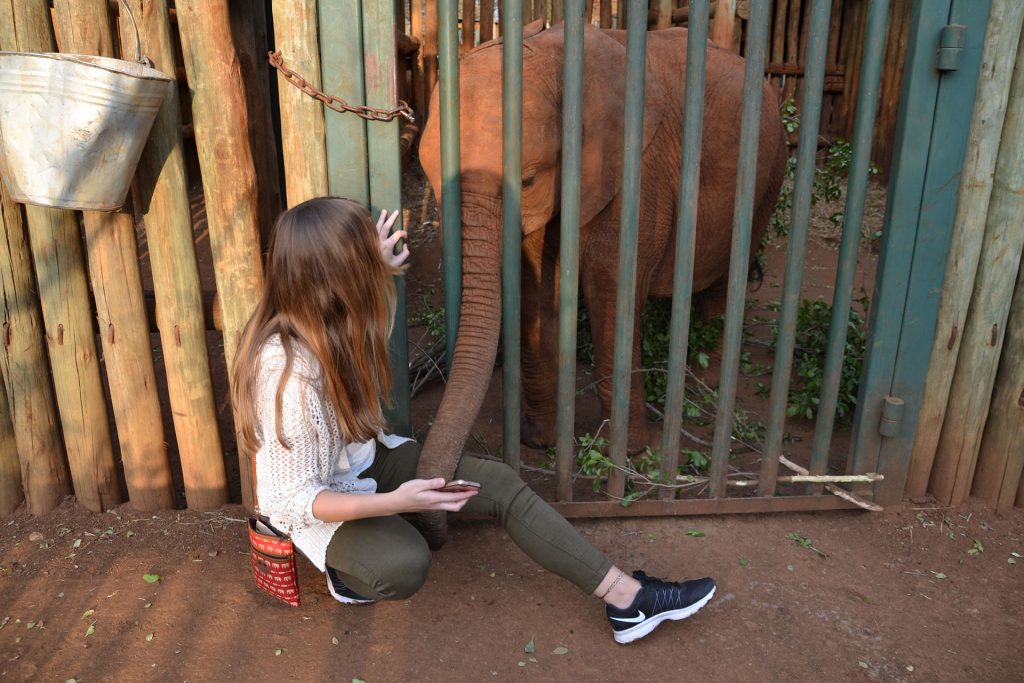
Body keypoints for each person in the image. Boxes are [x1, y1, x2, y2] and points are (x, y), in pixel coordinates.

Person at [231, 197, 716, 644]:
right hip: (319, 500)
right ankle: (348, 577)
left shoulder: (327, 313)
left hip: (365, 461)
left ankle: (627, 600)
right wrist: (397, 501)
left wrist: (379, 266)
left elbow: (359, 304)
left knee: (499, 484)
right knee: (403, 564)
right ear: (337, 276)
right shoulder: (286, 372)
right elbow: (288, 499)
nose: (378, 262)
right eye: (364, 256)